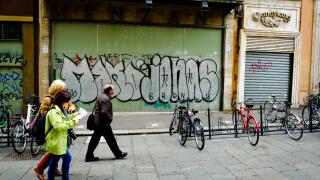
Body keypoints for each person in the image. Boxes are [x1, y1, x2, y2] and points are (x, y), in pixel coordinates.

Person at [34, 79, 76, 180]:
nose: (64, 91)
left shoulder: (63, 97)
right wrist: (55, 110)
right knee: (58, 152)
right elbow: (43, 113)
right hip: (54, 129)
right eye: (62, 89)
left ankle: (52, 170)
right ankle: (40, 168)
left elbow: (71, 104)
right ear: (56, 89)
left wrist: (71, 108)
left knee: (58, 153)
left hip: (63, 128)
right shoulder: (48, 99)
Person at [85, 84, 127, 162]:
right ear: (109, 90)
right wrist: (109, 119)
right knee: (108, 139)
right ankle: (118, 153)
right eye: (113, 89)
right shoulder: (106, 99)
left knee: (98, 139)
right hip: (102, 123)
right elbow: (104, 112)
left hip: (99, 122)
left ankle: (89, 155)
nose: (114, 91)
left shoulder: (101, 96)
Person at [45, 90, 80, 180]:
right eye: (66, 101)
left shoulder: (60, 109)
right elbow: (59, 126)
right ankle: (64, 178)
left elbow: (65, 118)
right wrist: (74, 122)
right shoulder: (54, 112)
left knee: (56, 160)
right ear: (61, 101)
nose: (68, 104)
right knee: (62, 159)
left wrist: (76, 115)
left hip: (60, 141)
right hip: (56, 142)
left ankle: (57, 178)